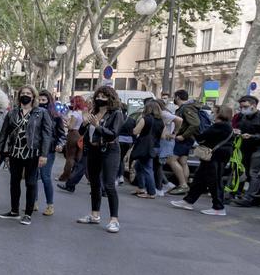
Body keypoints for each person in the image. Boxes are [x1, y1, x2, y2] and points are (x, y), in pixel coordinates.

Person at [0, 86, 51, 225]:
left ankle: (28, 214)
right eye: (23, 93)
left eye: (28, 93)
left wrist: (44, 154)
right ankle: (14, 211)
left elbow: (46, 135)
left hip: (32, 153)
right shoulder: (12, 113)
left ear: (33, 96)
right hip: (15, 152)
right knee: (14, 182)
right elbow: (4, 133)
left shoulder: (41, 113)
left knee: (31, 183)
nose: (25, 95)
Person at [76, 85, 126, 233]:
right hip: (93, 150)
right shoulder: (94, 112)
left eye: (104, 97)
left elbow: (112, 134)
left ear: (111, 98)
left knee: (109, 184)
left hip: (109, 150)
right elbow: (81, 132)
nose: (100, 99)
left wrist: (97, 126)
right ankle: (94, 215)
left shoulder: (116, 114)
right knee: (94, 183)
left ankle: (114, 220)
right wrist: (85, 124)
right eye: (98, 96)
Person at [171, 104, 236, 216]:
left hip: (215, 156)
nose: (211, 114)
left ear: (220, 114)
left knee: (214, 182)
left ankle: (218, 207)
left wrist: (192, 130)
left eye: (214, 112)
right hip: (216, 155)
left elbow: (202, 137)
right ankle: (188, 201)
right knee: (199, 179)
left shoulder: (220, 126)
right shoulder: (226, 126)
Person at [35, 89, 66, 216]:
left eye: (44, 100)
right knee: (34, 177)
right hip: (35, 149)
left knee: (45, 176)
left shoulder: (56, 116)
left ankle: (50, 205)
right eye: (40, 100)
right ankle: (34, 202)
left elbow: (61, 134)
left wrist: (60, 144)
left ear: (49, 101)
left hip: (49, 150)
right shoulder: (34, 114)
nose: (42, 102)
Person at [167, 89, 201, 194]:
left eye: (174, 97)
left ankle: (183, 185)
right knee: (183, 162)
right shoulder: (188, 107)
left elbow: (195, 124)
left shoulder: (186, 108)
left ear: (177, 97)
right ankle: (184, 185)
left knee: (171, 160)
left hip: (184, 139)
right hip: (188, 139)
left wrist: (183, 135)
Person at [231, 94, 260, 206]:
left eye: (245, 106)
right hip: (245, 148)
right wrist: (237, 131)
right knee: (245, 172)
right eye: (241, 107)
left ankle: (249, 198)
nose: (243, 109)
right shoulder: (244, 117)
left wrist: (252, 136)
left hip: (259, 148)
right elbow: (240, 127)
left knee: (254, 173)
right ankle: (255, 195)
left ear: (253, 106)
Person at [130, 99, 164, 199]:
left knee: (147, 169)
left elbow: (135, 132)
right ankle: (141, 188)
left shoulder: (145, 119)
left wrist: (133, 128)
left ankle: (151, 192)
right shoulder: (160, 121)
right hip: (155, 146)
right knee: (138, 167)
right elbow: (162, 136)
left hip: (145, 147)